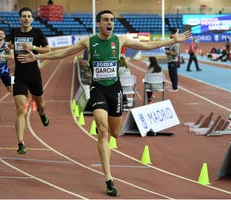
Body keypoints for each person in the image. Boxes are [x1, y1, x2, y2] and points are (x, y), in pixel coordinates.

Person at [17, 10, 191, 196]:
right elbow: (63, 53)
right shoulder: (89, 42)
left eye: (112, 20)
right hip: (97, 89)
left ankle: (107, 149)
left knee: (114, 133)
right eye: (106, 20)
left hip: (115, 90)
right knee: (102, 129)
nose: (110, 23)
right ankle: (109, 178)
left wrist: (173, 40)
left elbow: (147, 45)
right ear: (99, 23)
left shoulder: (120, 40)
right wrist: (37, 57)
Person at [9, 7, 51, 155]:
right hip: (19, 75)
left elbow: (48, 50)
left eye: (28, 16)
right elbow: (10, 45)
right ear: (20, 19)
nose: (26, 19)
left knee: (41, 105)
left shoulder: (37, 32)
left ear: (32, 19)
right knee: (21, 109)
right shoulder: (14, 32)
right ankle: (20, 143)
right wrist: (8, 48)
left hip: (34, 74)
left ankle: (42, 114)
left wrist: (32, 47)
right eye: (24, 16)